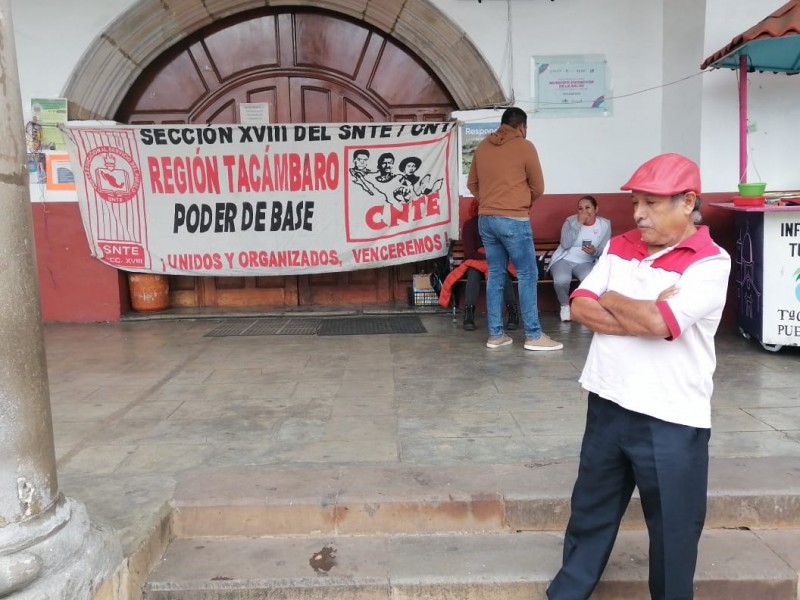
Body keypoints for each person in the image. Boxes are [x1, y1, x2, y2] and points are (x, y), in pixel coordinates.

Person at [546, 153, 731, 600]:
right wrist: (633, 304)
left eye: (650, 203)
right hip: (607, 402)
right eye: (635, 203)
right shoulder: (622, 244)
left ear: (687, 202)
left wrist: (614, 297)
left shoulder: (710, 261)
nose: (637, 214)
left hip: (671, 417)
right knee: (589, 514)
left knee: (673, 530)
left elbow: (660, 324)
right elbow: (583, 304)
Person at [466, 107, 562, 351]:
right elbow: (538, 186)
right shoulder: (524, 146)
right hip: (513, 220)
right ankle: (533, 335)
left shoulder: (482, 147)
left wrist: (489, 202)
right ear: (522, 126)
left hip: (486, 219)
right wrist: (519, 203)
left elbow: (472, 184)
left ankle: (496, 335)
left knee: (496, 275)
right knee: (527, 274)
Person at [547, 195, 612, 322]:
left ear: (596, 209)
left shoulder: (604, 224)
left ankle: (584, 310)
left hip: (586, 261)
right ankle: (565, 306)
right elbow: (565, 244)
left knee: (589, 280)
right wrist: (579, 223)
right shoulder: (570, 221)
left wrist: (594, 251)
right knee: (561, 280)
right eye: (580, 208)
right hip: (564, 259)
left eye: (588, 208)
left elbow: (604, 249)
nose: (584, 211)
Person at [461, 199, 519, 331]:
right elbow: (469, 253)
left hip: (495, 261)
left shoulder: (498, 225)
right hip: (476, 261)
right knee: (473, 274)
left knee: (502, 273)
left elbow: (505, 247)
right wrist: (488, 256)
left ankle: (513, 313)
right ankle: (469, 315)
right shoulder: (469, 225)